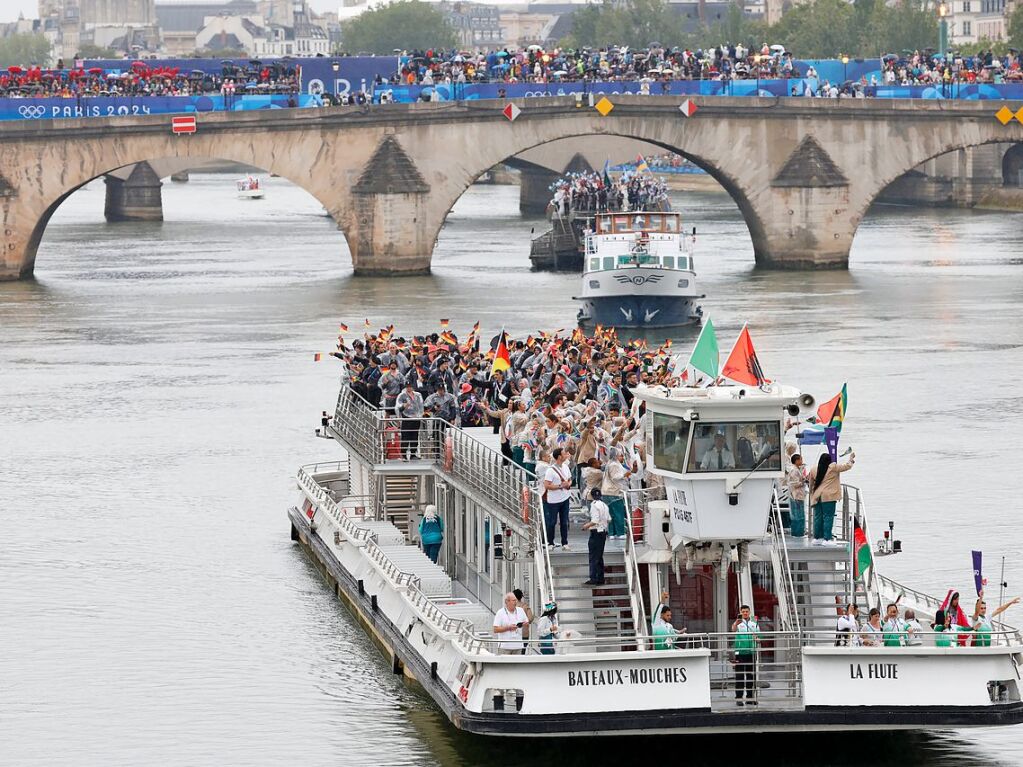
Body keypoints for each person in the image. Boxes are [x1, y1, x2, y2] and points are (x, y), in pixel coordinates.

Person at [809, 451, 855, 545]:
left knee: (818, 517)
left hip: (817, 496)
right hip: (829, 497)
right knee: (828, 517)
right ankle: (827, 539)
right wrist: (851, 459)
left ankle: (817, 538)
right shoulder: (832, 468)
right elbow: (847, 466)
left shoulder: (814, 469)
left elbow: (811, 484)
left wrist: (811, 495)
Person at [543, 448, 573, 550]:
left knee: (564, 521)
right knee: (552, 522)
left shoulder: (565, 467)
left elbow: (569, 479)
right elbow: (547, 485)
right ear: (559, 456)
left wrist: (568, 484)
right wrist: (560, 486)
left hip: (565, 498)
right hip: (553, 500)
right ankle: (550, 542)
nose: (566, 455)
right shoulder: (550, 470)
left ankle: (565, 542)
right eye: (564, 454)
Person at [732, 605, 760, 706]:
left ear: (749, 612)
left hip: (751, 652)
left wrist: (757, 639)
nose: (745, 613)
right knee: (739, 676)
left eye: (746, 611)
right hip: (740, 653)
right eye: (743, 611)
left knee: (750, 676)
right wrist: (736, 622)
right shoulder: (738, 623)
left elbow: (759, 637)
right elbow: (733, 630)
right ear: (740, 612)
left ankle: (750, 698)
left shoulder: (754, 623)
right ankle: (739, 698)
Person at [582, 488, 610, 586]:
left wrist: (586, 526)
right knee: (599, 556)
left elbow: (595, 520)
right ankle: (600, 578)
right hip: (603, 532)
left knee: (593, 556)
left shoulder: (594, 505)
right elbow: (609, 519)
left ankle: (593, 578)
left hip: (596, 532)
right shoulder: (604, 505)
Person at [394, 381, 424, 459]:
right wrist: (404, 406)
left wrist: (420, 415)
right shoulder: (402, 395)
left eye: (410, 386)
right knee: (405, 436)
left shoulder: (418, 395)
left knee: (415, 436)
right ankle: (403, 455)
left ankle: (413, 454)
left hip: (416, 418)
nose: (409, 388)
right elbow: (398, 407)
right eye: (407, 386)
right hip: (406, 418)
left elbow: (421, 405)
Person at [785, 453, 807, 538]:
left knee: (798, 514)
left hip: (798, 495)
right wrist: (803, 482)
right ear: (797, 460)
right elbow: (794, 484)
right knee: (798, 515)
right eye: (801, 459)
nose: (802, 461)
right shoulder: (794, 470)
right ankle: (798, 533)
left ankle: (798, 532)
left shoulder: (797, 470)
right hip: (796, 495)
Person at [513, 588, 534, 654]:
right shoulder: (525, 606)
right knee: (522, 652)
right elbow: (530, 619)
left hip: (513, 634)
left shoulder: (511, 607)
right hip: (524, 634)